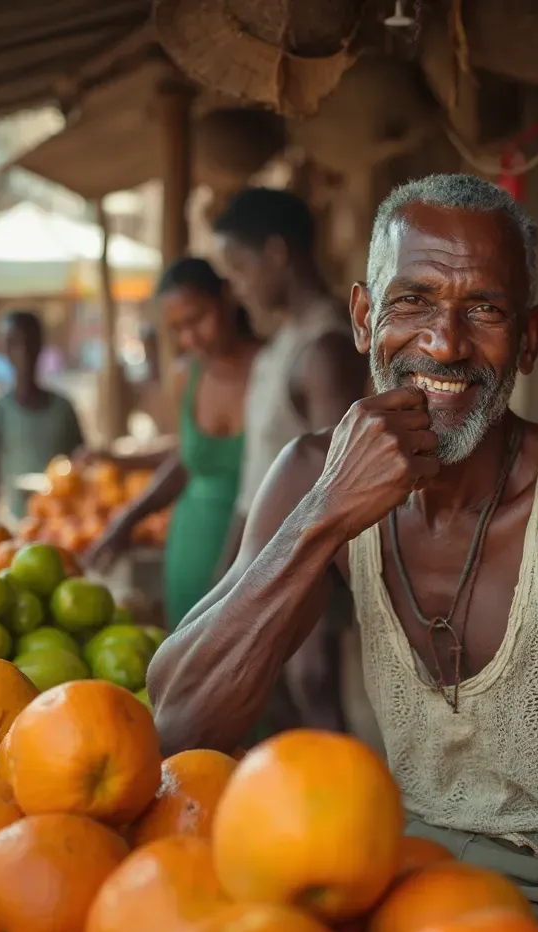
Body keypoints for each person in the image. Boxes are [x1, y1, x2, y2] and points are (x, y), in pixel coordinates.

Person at [147, 174, 538, 932]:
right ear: (361, 319)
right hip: (418, 877)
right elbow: (178, 725)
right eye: (413, 300)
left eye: (483, 310)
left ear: (528, 340)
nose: (445, 344)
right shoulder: (314, 477)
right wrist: (324, 518)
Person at [212, 187, 368, 732]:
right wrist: (229, 575)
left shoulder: (325, 350)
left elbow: (342, 485)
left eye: (239, 266)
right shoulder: (284, 344)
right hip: (269, 565)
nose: (236, 287)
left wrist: (309, 602)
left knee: (314, 690)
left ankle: (351, 813)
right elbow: (257, 479)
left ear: (277, 252)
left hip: (303, 568)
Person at [84, 257, 262, 627]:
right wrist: (126, 520)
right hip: (189, 550)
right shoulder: (187, 376)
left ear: (226, 297)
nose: (189, 338)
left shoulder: (271, 370)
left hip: (257, 556)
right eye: (178, 328)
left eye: (197, 319)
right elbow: (188, 460)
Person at [0, 312, 85, 521]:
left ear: (41, 346)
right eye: (15, 343)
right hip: (18, 522)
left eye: (30, 342)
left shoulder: (63, 409)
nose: (24, 351)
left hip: (61, 522)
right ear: (5, 350)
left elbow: (81, 464)